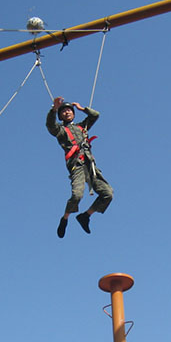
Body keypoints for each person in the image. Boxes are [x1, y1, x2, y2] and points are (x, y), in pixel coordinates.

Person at [46, 96, 113, 238]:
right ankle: (65, 218)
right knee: (77, 195)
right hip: (77, 165)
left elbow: (95, 115)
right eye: (63, 112)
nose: (67, 113)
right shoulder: (61, 131)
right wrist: (54, 109)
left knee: (107, 193)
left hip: (90, 165)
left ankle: (85, 216)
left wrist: (83, 109)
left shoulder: (82, 127)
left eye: (69, 110)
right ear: (60, 116)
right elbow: (50, 126)